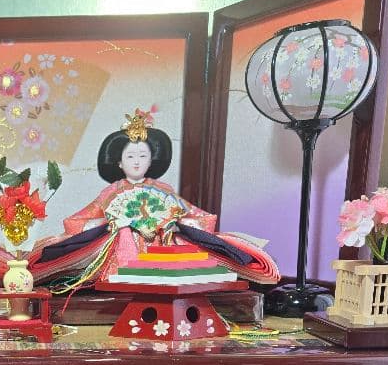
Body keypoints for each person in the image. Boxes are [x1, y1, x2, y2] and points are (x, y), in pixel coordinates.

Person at [17, 110, 277, 291]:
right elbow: (80, 221)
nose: (137, 162)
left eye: (142, 156)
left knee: (183, 251)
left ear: (152, 160)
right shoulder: (112, 192)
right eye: (130, 157)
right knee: (115, 245)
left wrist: (170, 221)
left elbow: (196, 217)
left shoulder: (162, 189)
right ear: (119, 162)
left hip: (160, 244)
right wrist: (116, 223)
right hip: (120, 245)